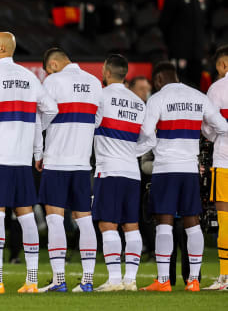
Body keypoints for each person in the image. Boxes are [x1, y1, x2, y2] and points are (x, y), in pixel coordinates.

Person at [0, 32, 58, 294]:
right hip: (21, 158)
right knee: (26, 216)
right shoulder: (30, 77)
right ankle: (30, 280)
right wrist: (34, 132)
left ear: (3, 47)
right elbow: (50, 109)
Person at [137, 61, 228, 292]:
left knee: (164, 224)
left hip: (165, 168)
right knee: (192, 222)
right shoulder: (198, 96)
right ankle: (194, 280)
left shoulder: (157, 99)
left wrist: (138, 150)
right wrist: (208, 136)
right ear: (176, 76)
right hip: (189, 168)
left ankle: (163, 280)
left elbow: (147, 132)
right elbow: (221, 126)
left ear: (158, 80)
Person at [38, 48, 103, 293]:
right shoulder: (95, 82)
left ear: (53, 65)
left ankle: (59, 280)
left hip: (56, 160)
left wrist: (39, 147)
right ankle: (87, 281)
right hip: (82, 162)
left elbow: (42, 116)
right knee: (84, 219)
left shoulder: (53, 81)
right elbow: (97, 120)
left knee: (55, 219)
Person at [92, 54, 146, 292]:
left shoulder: (101, 97)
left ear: (106, 71)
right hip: (132, 171)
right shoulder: (138, 102)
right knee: (131, 224)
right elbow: (149, 139)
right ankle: (130, 280)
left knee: (107, 224)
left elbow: (89, 127)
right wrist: (131, 151)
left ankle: (114, 280)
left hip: (109, 169)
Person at [202, 44, 228, 290]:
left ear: (223, 65)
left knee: (225, 219)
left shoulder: (218, 88)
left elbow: (208, 128)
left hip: (225, 161)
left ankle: (225, 276)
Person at [159, 0, 207, 90]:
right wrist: (173, 46)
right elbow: (164, 23)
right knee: (180, 87)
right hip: (180, 52)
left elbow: (204, 23)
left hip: (197, 54)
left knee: (196, 89)